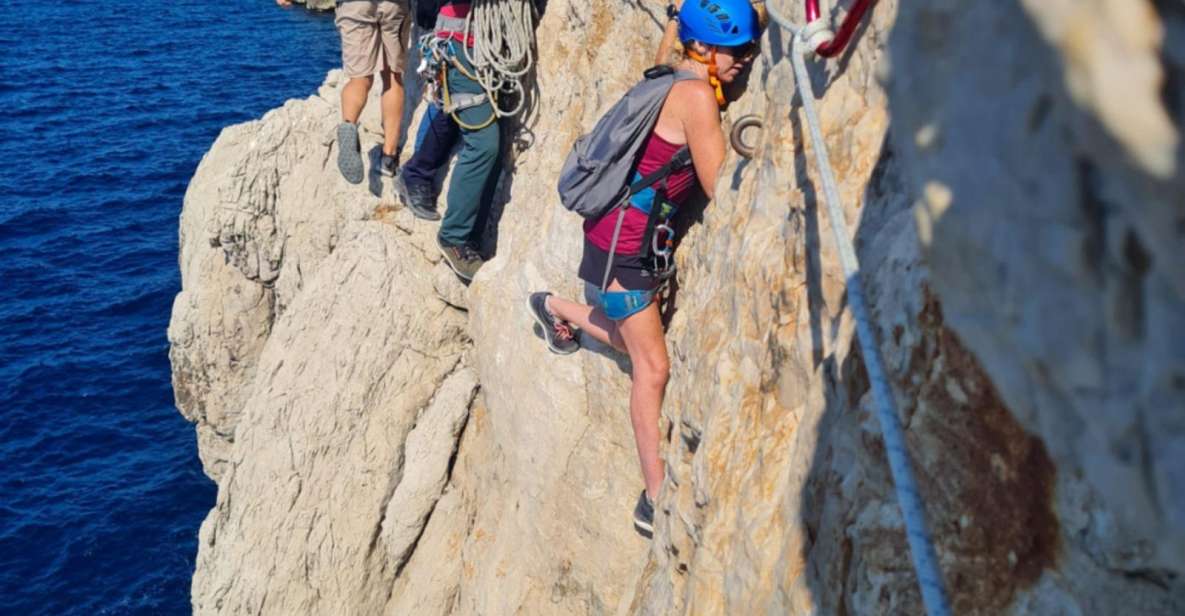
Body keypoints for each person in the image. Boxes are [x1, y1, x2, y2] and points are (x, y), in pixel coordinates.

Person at [526, 0, 760, 538]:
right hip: (625, 252)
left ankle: (553, 307)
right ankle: (653, 499)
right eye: (736, 50)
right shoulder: (698, 96)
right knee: (651, 369)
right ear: (703, 48)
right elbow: (718, 185)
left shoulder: (671, 70)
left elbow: (666, 52)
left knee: (631, 341)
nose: (744, 60)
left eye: (748, 50)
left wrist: (677, 15)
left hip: (615, 239)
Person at [394, 0, 503, 282]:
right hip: (461, 44)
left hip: (474, 42)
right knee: (483, 142)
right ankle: (454, 236)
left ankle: (470, 236)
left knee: (457, 119)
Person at [277, 0, 411, 184]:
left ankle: (349, 124)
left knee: (360, 79)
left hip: (354, 6)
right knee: (393, 77)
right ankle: (388, 158)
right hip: (393, 5)